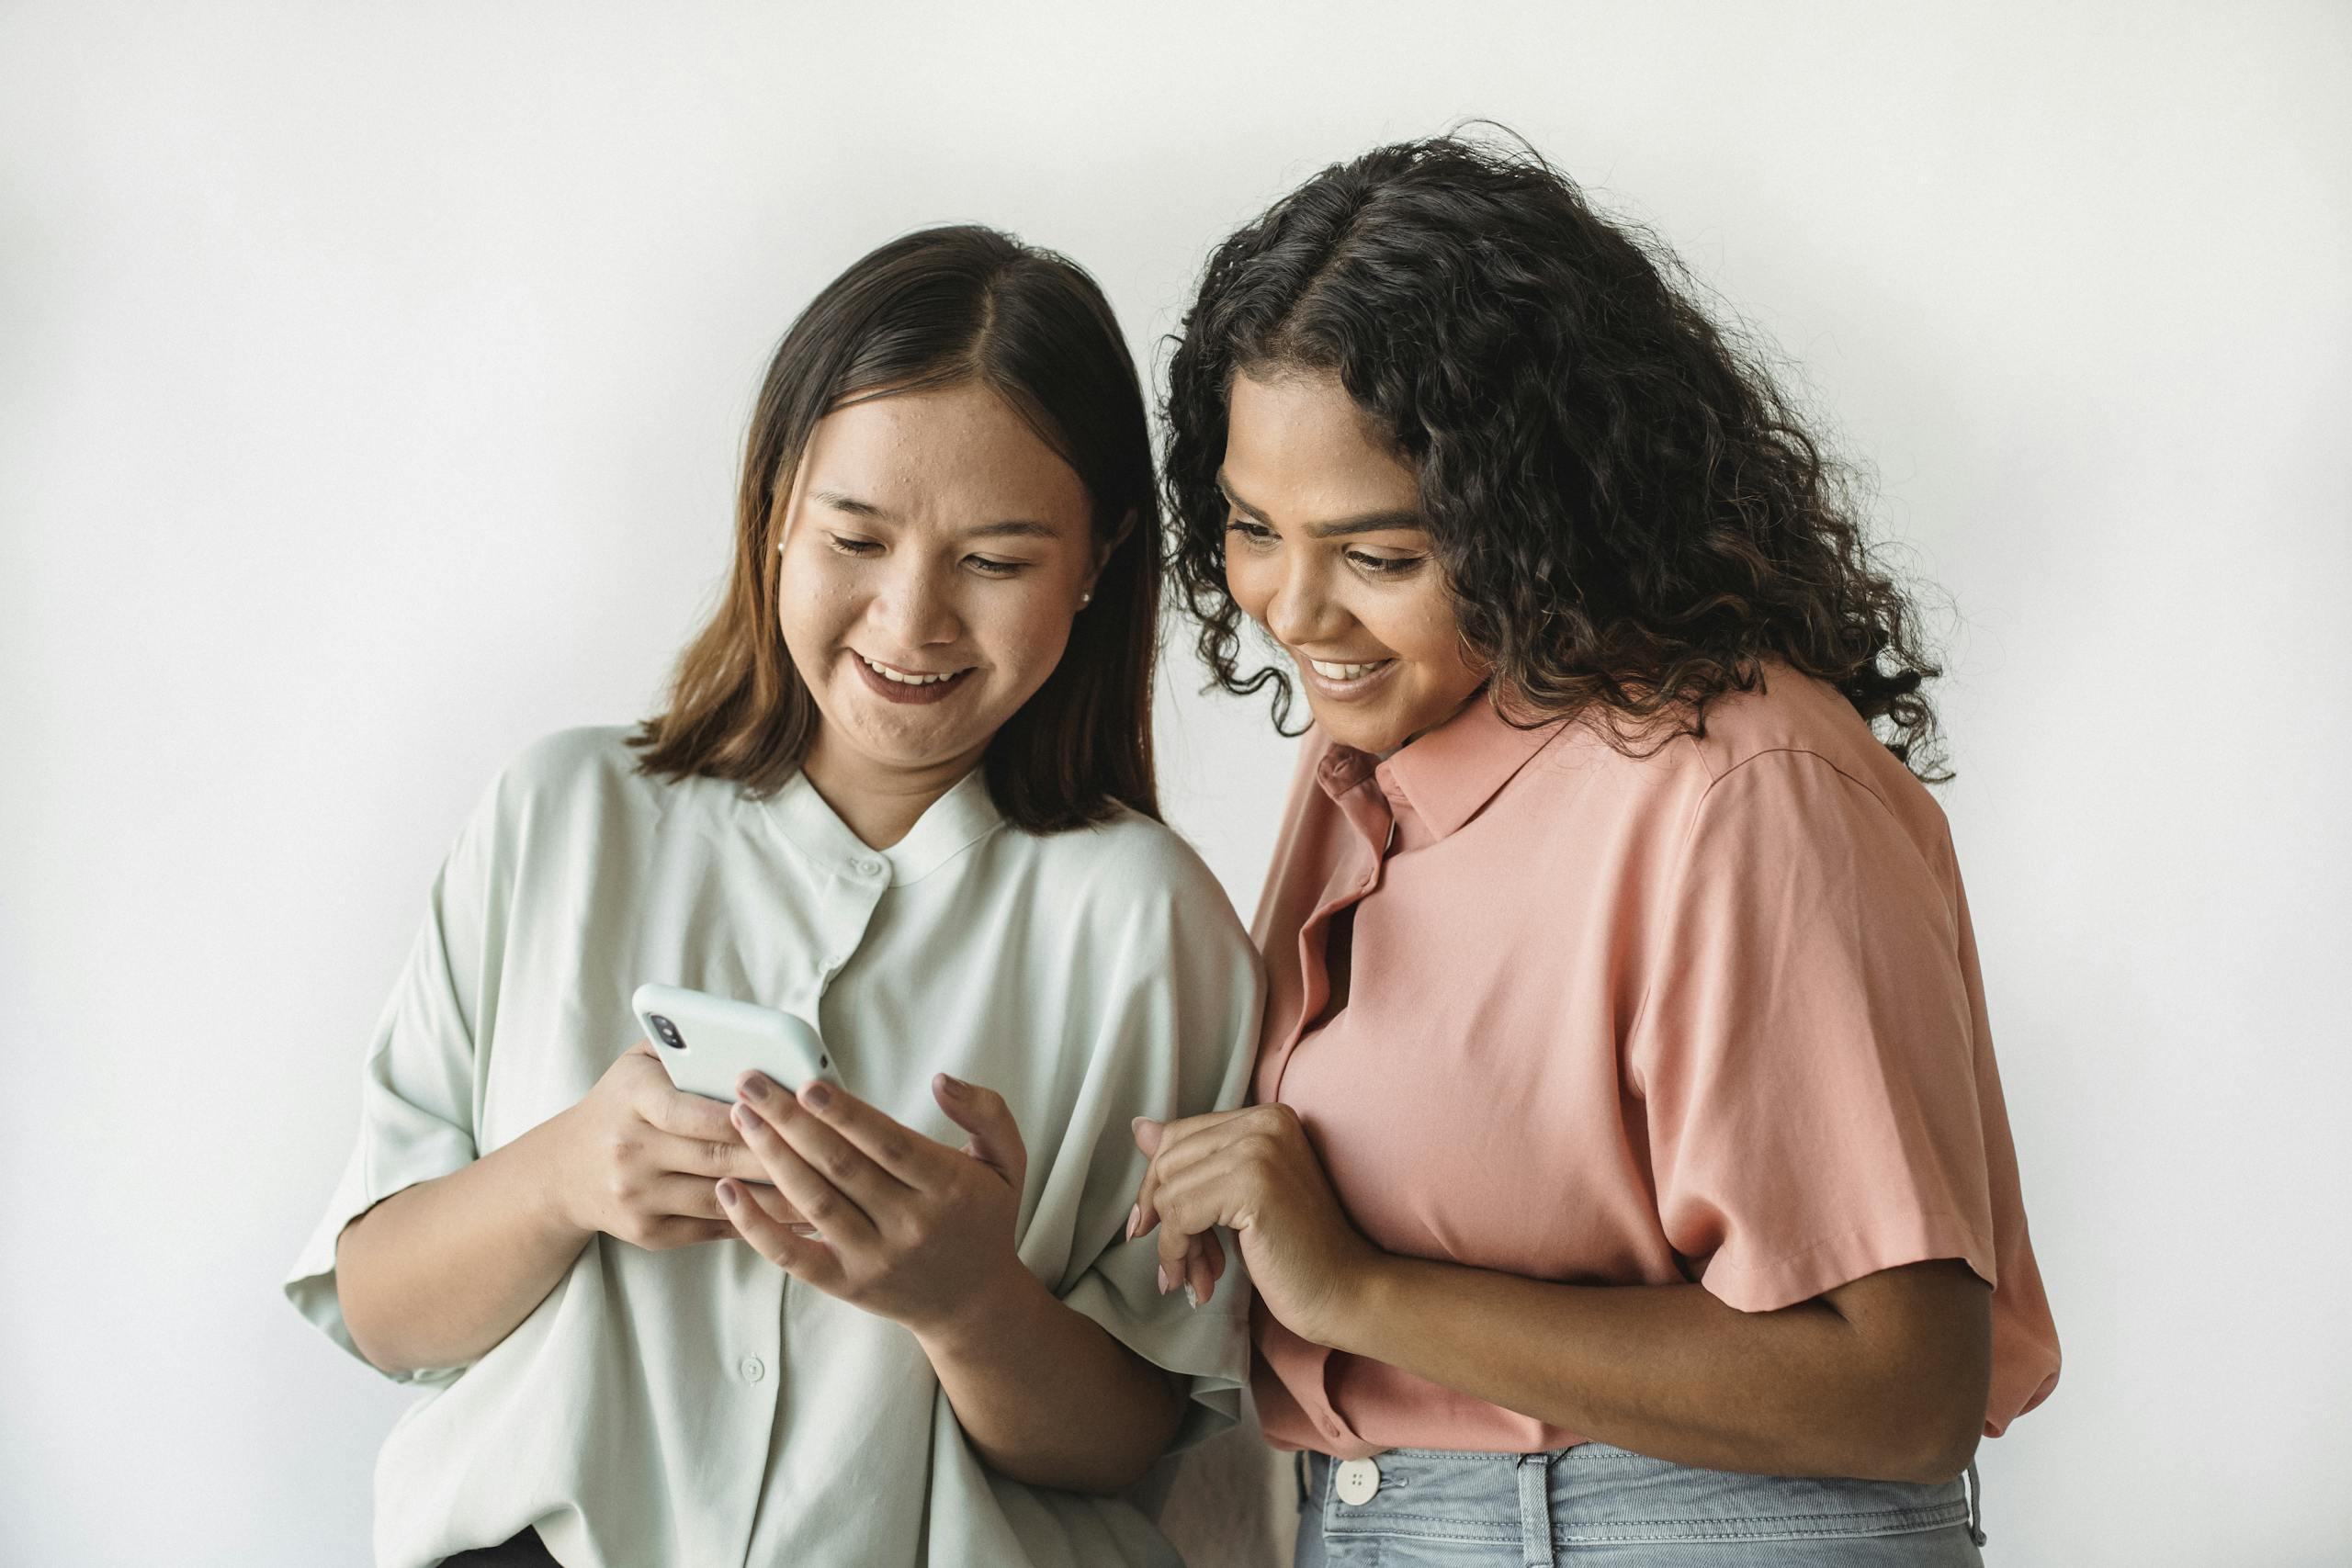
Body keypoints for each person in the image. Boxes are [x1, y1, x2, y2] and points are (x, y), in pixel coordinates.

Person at [1133, 135, 2061, 1566]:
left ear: (1537, 518)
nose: (1291, 608)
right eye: (1254, 529)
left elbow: (1904, 1383)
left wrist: (1363, 1295)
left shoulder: (1741, 787)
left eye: (1379, 556)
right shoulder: (1368, 758)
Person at [285, 225, 1261, 1568]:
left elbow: (1130, 1439)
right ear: (774, 515)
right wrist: (568, 1174)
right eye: (857, 536)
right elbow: (382, 1310)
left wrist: (970, 1301)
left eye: (995, 562)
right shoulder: (561, 815)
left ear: (1096, 565)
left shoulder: (1151, 923)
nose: (911, 621)